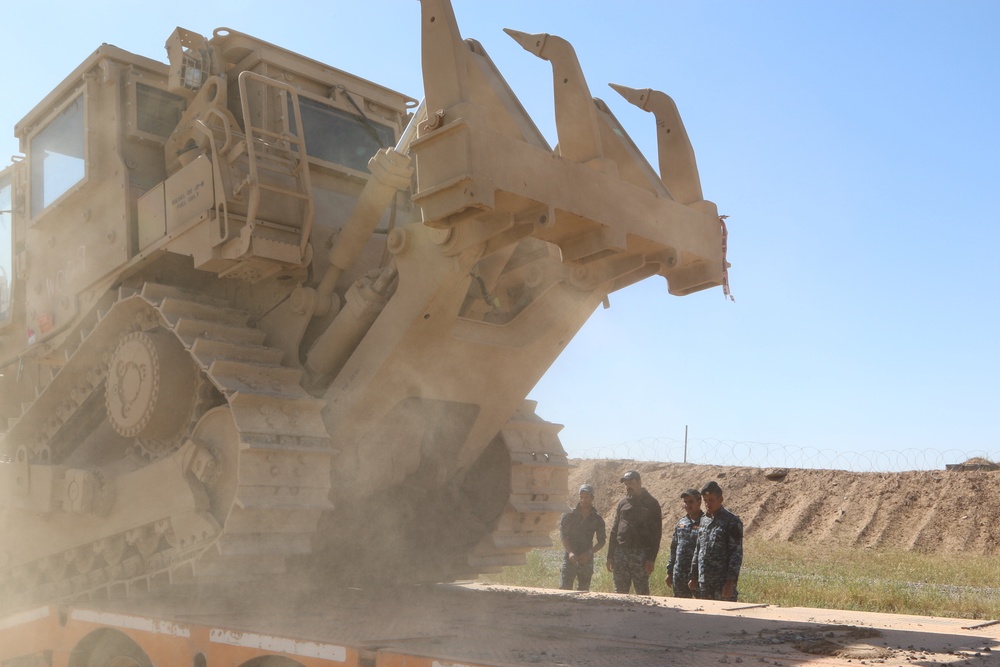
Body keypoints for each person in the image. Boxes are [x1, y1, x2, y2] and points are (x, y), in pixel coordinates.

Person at [606, 470, 662, 595]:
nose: (628, 486)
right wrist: (610, 556)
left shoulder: (651, 503)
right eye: (626, 484)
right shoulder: (623, 503)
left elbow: (656, 534)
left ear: (639, 482)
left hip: (640, 554)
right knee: (620, 593)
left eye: (631, 483)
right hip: (621, 553)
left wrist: (651, 558)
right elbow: (614, 530)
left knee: (642, 593)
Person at [688, 480, 743, 601]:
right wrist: (694, 575)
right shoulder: (704, 520)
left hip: (722, 583)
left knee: (724, 618)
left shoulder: (732, 521)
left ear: (721, 499)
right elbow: (698, 549)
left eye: (711, 500)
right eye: (705, 501)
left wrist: (730, 583)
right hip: (704, 582)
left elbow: (736, 554)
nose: (708, 504)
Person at [558, 483, 606, 591]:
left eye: (586, 497)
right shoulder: (569, 515)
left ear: (592, 498)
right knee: (564, 591)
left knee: (584, 592)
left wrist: (590, 553)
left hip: (586, 559)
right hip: (570, 558)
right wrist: (570, 552)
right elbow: (563, 536)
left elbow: (602, 541)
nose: (583, 500)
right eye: (581, 497)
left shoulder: (597, 519)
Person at [665, 488, 703, 598]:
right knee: (680, 607)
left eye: (691, 502)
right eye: (685, 502)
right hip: (680, 573)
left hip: (697, 574)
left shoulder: (706, 522)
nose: (687, 505)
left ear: (699, 502)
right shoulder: (681, 522)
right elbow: (674, 548)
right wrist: (670, 571)